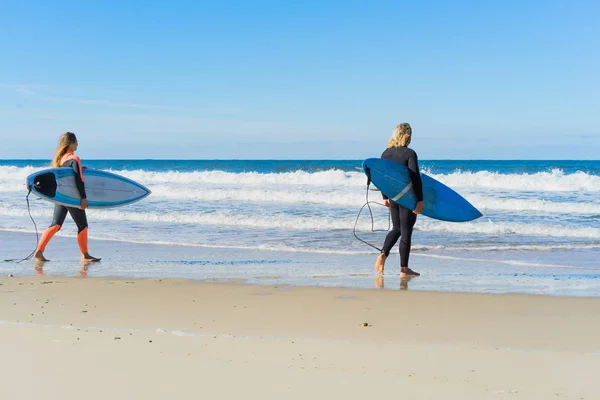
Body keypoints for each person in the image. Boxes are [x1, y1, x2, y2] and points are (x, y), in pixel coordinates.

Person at [33, 132, 101, 262]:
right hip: (72, 198)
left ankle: (39, 251)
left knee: (56, 224)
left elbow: (64, 178)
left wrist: (81, 169)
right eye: (76, 141)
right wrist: (83, 197)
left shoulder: (60, 160)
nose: (77, 144)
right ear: (71, 143)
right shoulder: (74, 159)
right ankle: (85, 255)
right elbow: (78, 180)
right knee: (83, 226)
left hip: (61, 197)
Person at [374, 123, 423, 276]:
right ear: (407, 135)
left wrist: (385, 197)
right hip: (408, 197)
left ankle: (383, 254)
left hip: (394, 196)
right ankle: (404, 268)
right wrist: (419, 200)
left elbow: (382, 177)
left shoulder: (385, 154)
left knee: (397, 229)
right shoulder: (410, 153)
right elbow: (415, 178)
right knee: (406, 232)